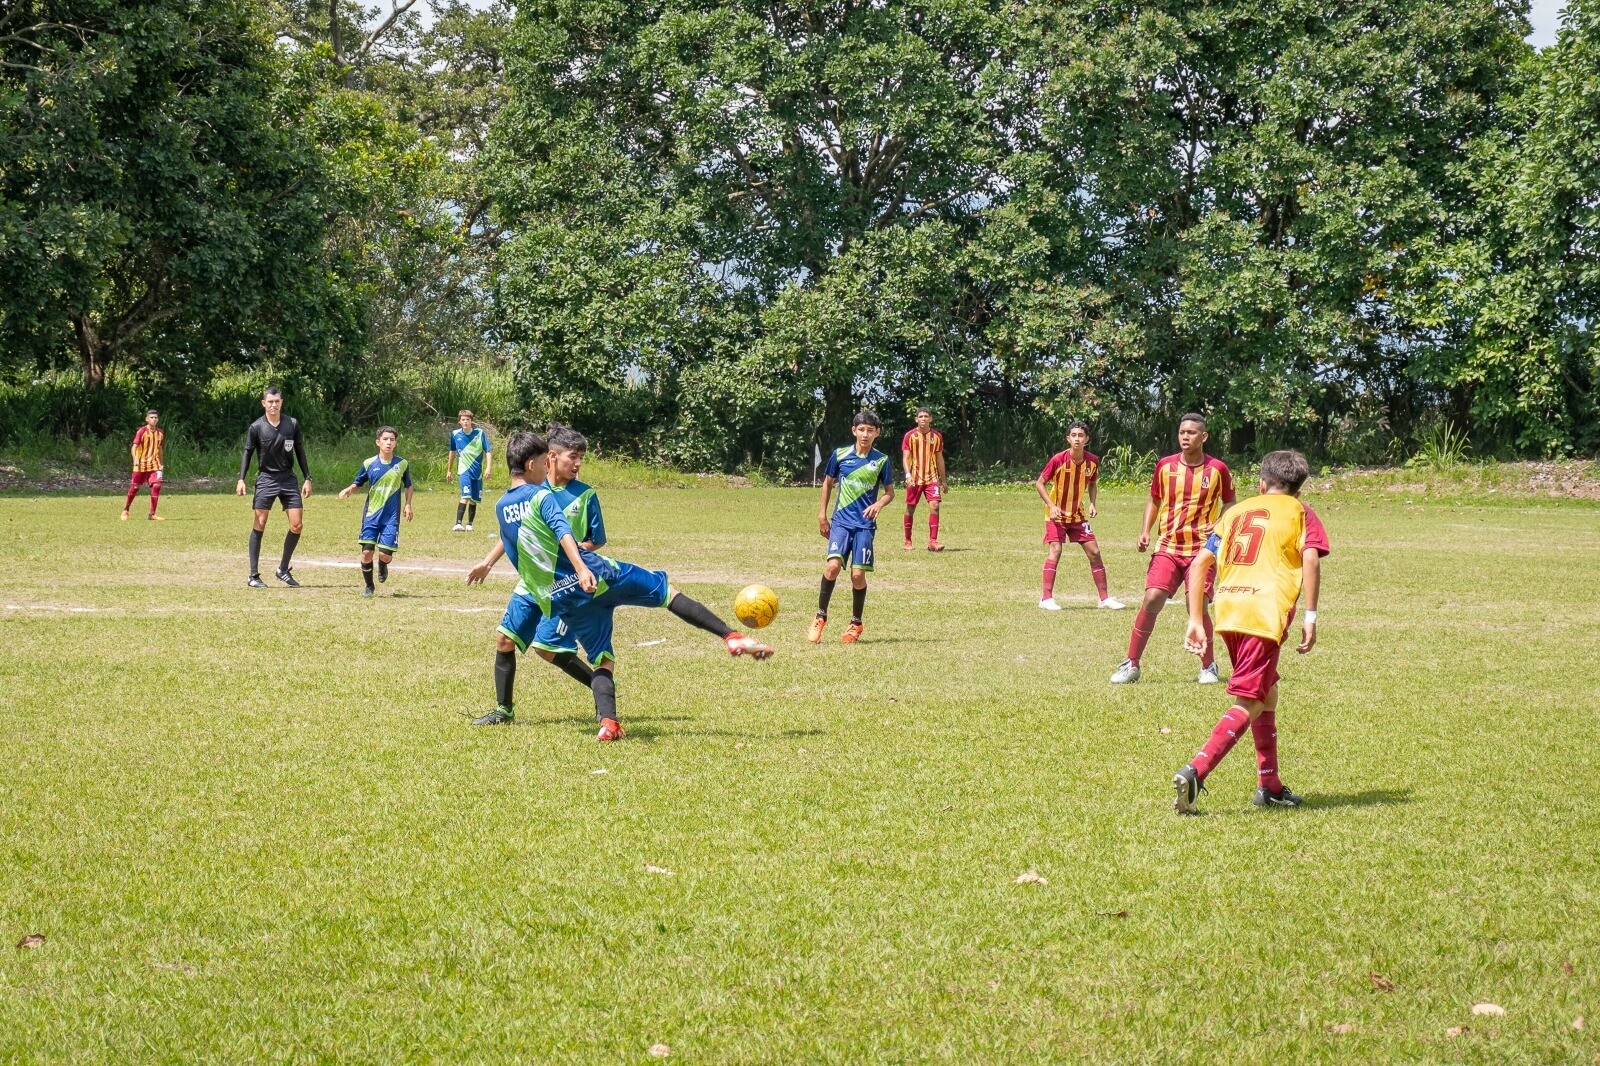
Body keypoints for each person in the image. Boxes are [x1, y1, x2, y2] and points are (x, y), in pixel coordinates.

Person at [1171, 450, 1329, 814]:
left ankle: (1269, 785)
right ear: (1298, 490)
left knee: (1267, 691)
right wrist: (1311, 615)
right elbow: (1309, 557)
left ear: (1261, 483)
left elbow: (1200, 563)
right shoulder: (1301, 512)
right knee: (1252, 699)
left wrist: (1196, 617)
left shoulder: (1235, 512)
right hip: (1263, 613)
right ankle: (1197, 770)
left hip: (1228, 610)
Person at [464, 430, 598, 727]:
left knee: (548, 649)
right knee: (504, 639)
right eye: (543, 462)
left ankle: (602, 691)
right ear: (534, 464)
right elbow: (513, 533)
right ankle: (504, 710)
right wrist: (487, 563)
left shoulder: (549, 495)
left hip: (561, 581)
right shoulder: (512, 501)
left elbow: (566, 533)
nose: (548, 468)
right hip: (532, 583)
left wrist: (578, 566)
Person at [1110, 414, 1235, 684]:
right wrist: (1145, 531)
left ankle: (1208, 665)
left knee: (1198, 604)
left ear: (1204, 437)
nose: (1185, 437)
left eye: (1191, 433)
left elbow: (1230, 502)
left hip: (1202, 550)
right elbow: (1154, 500)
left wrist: (1220, 523)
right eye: (1181, 432)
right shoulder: (1165, 466)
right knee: (1153, 597)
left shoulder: (1218, 470)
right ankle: (1131, 663)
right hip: (1168, 545)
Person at [809, 411, 895, 644]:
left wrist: (878, 504)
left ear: (877, 433)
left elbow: (890, 493)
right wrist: (822, 516)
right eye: (861, 429)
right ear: (853, 431)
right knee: (832, 567)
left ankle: (855, 624)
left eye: (870, 430)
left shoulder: (881, 460)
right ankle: (820, 617)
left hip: (865, 526)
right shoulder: (840, 455)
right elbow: (827, 484)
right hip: (841, 522)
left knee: (858, 575)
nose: (865, 434)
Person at [1034, 421, 1124, 611]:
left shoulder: (1092, 461)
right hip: (1056, 515)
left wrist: (1092, 503)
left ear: (1087, 439)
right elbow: (1040, 483)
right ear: (1068, 439)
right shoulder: (1058, 460)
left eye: (1080, 435)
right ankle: (1046, 599)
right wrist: (1051, 506)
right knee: (1056, 550)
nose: (1077, 438)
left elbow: (1092, 483)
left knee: (1095, 552)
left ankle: (1104, 599)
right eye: (1073, 435)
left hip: (1078, 514)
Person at [236, 387, 312, 588]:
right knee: (260, 522)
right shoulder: (256, 427)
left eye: (277, 401)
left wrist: (307, 478)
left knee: (297, 524)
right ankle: (253, 576)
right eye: (270, 401)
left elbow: (300, 451)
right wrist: (241, 479)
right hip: (266, 479)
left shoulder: (292, 424)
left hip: (288, 478)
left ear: (281, 402)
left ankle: (283, 569)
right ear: (264, 403)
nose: (273, 405)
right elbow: (247, 452)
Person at [337, 427, 414, 597]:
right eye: (385, 439)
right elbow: (359, 482)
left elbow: (408, 485)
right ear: (378, 442)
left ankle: (383, 564)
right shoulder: (369, 463)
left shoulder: (402, 464)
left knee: (386, 555)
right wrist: (349, 489)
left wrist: (408, 504)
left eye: (392, 439)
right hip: (371, 515)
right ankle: (369, 586)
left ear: (396, 443)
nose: (389, 442)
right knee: (366, 552)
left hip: (391, 517)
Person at [900, 407, 945, 551]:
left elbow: (939, 459)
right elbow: (905, 458)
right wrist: (908, 475)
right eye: (921, 416)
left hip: (931, 478)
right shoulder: (910, 436)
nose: (923, 419)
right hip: (915, 478)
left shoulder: (937, 436)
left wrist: (943, 480)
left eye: (926, 416)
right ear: (916, 419)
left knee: (935, 506)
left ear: (931, 419)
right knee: (910, 508)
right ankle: (907, 541)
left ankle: (933, 541)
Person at [448, 410, 491, 531]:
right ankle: (458, 523)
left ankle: (470, 524)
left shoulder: (480, 433)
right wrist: (449, 470)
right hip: (463, 470)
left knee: (474, 499)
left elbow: (488, 450)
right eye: (463, 419)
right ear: (459, 421)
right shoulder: (455, 434)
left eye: (467, 419)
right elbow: (452, 451)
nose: (465, 421)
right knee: (466, 495)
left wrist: (488, 467)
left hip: (477, 472)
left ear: (471, 421)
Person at [122, 410, 166, 522]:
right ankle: (125, 509)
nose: (154, 419)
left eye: (156, 417)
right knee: (135, 487)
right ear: (147, 419)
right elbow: (134, 447)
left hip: (154, 464)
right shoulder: (142, 431)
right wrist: (135, 459)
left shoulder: (160, 433)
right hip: (141, 464)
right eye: (151, 417)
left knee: (157, 485)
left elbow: (160, 449)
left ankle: (152, 514)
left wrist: (161, 464)